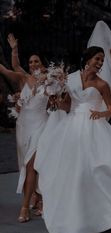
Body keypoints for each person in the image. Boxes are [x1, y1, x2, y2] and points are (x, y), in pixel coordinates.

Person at [34, 46, 111, 233]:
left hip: (93, 127)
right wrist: (55, 95)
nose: (99, 63)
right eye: (97, 59)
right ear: (88, 59)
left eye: (101, 60)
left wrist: (101, 113)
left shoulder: (102, 84)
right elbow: (66, 106)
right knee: (68, 170)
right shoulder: (70, 78)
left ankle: (97, 214)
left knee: (92, 171)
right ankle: (70, 213)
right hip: (71, 128)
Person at [0, 50, 48, 223]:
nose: (33, 64)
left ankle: (24, 206)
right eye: (31, 62)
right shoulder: (23, 79)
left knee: (31, 165)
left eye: (36, 61)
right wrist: (13, 50)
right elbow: (7, 69)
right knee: (26, 164)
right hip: (23, 126)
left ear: (43, 64)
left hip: (41, 125)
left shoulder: (51, 81)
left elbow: (58, 104)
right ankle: (38, 196)